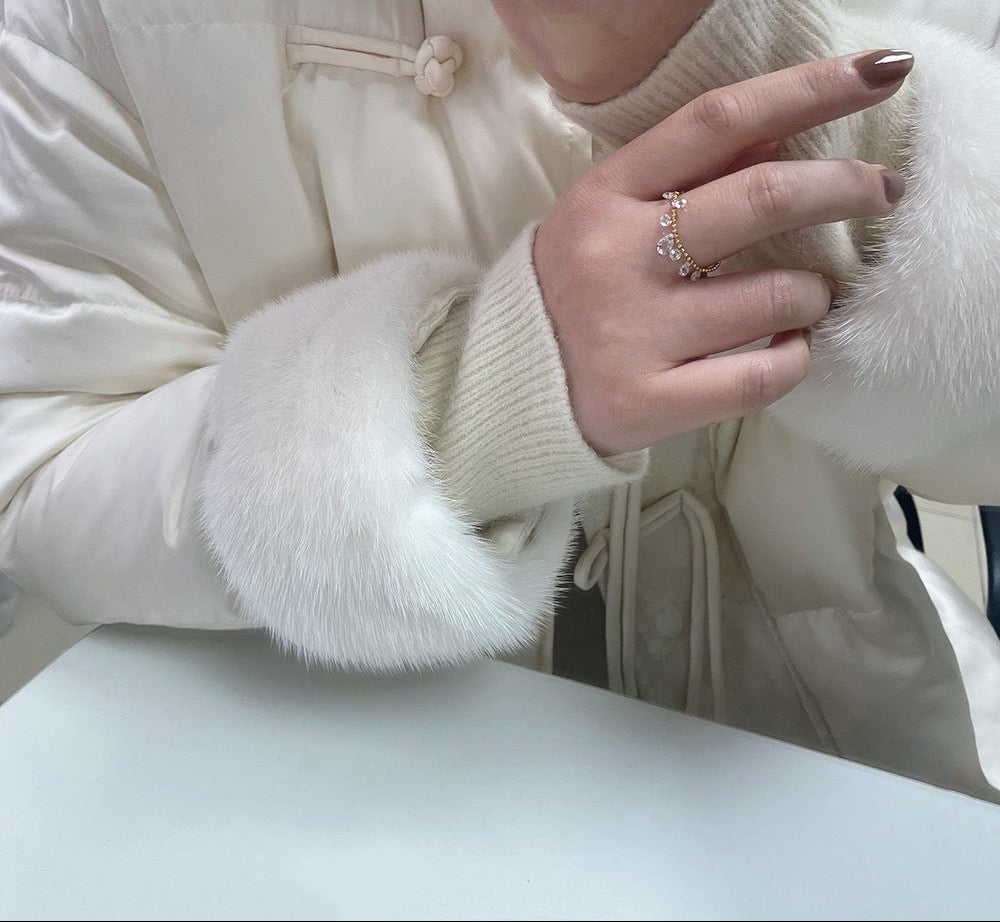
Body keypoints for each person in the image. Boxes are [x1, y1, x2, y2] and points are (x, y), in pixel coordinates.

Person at [1, 0, 999, 801]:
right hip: (323, 780)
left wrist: (790, 93)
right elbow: (43, 465)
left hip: (821, 757)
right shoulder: (83, 23)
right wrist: (471, 407)